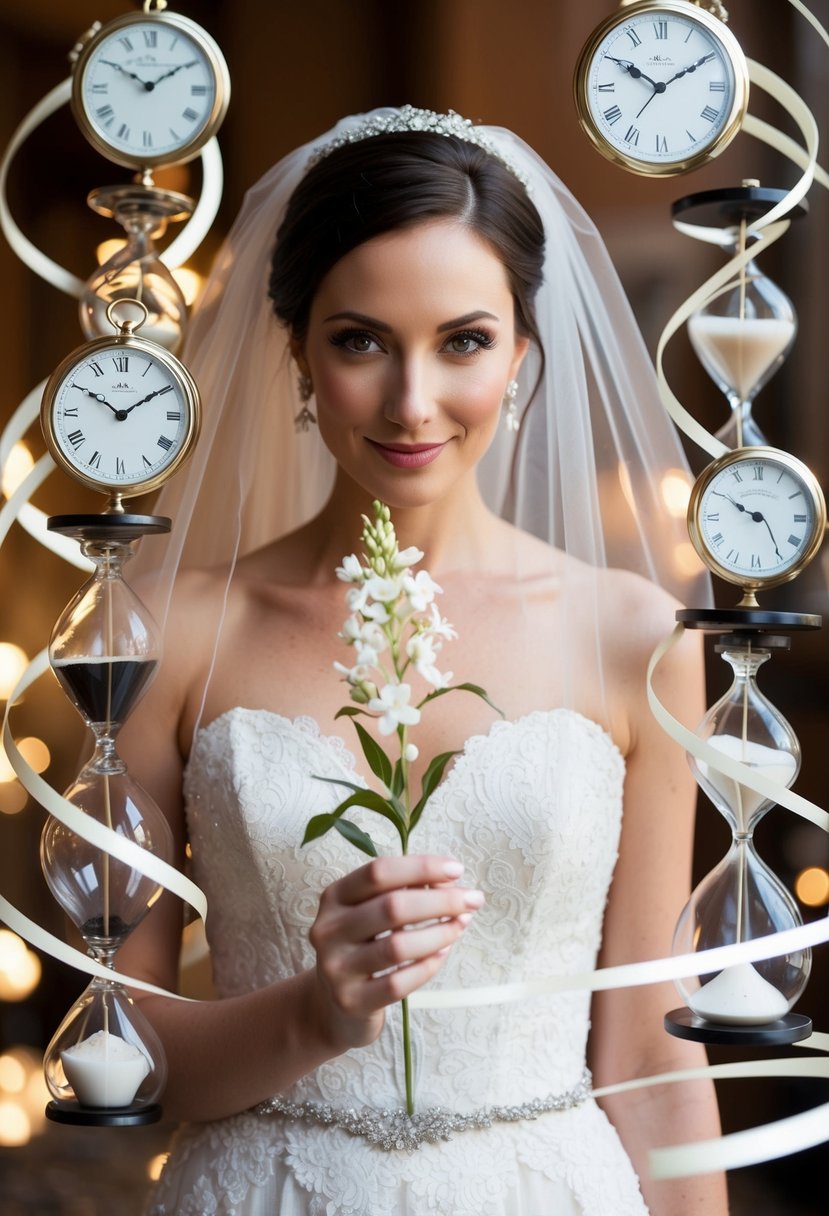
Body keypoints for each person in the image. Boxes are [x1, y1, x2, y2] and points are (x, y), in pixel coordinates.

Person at [117, 106, 727, 1216]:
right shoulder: (164, 630)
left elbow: (647, 1047)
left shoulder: (637, 633)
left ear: (522, 353)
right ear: (296, 350)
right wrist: (314, 1014)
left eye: (462, 341)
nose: (411, 402)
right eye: (359, 340)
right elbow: (122, 1057)